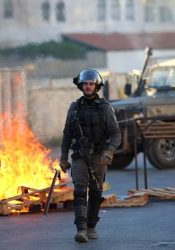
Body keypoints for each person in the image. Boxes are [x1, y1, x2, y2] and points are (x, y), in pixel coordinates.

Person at [59, 69, 121, 242]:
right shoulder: (74, 108)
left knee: (95, 192)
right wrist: (63, 157)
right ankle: (81, 230)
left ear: (96, 86)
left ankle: (92, 226)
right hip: (79, 155)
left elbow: (116, 134)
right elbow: (66, 134)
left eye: (91, 84)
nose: (88, 87)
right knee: (79, 190)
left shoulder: (105, 108)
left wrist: (109, 151)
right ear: (80, 86)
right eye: (85, 84)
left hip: (98, 156)